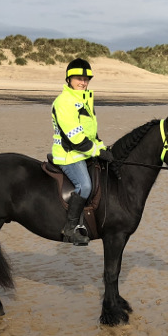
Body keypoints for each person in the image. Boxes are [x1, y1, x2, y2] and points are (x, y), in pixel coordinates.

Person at [51, 58, 114, 246]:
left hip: (84, 152)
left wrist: (102, 147)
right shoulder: (64, 101)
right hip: (69, 154)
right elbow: (76, 138)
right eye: (79, 78)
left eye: (86, 79)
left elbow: (90, 133)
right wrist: (97, 152)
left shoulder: (85, 99)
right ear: (69, 79)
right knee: (85, 186)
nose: (83, 82)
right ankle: (70, 228)